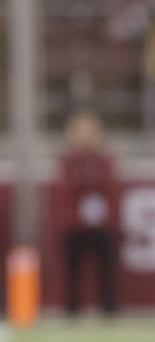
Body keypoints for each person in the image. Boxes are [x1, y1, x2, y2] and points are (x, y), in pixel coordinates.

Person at [59, 109, 119, 315]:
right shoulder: (68, 160)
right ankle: (71, 308)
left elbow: (110, 187)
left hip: (102, 223)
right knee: (72, 269)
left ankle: (109, 308)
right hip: (75, 223)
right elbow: (67, 190)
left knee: (106, 268)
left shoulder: (104, 160)